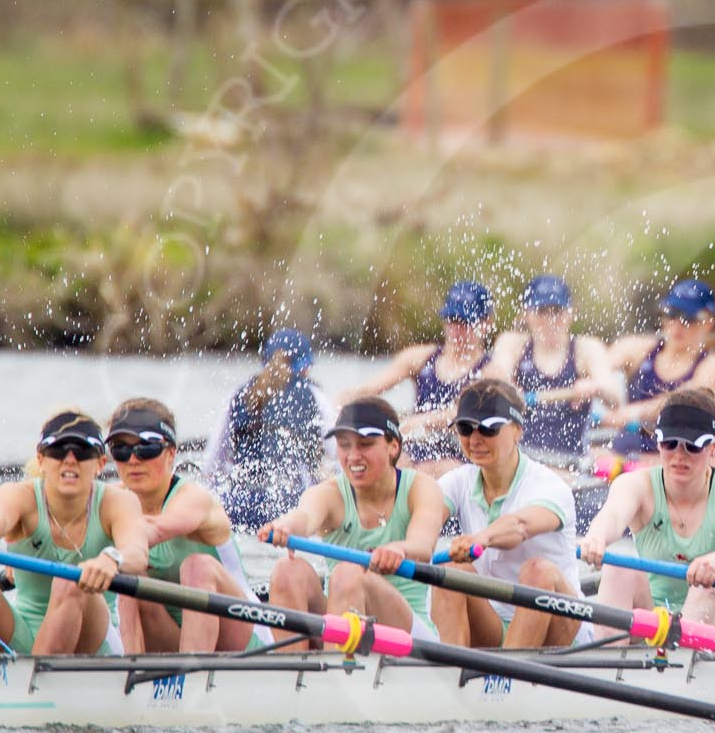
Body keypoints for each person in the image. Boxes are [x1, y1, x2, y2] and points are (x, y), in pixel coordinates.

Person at [0, 411, 149, 656]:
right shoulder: (18, 495)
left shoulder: (118, 502)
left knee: (70, 579)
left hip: (93, 641)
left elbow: (136, 552)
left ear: (101, 463)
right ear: (41, 459)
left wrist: (112, 559)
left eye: (81, 451)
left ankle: (32, 685)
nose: (69, 459)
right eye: (58, 450)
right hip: (25, 634)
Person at [256, 397, 445, 642]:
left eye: (365, 444)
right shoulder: (329, 494)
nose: (353, 456)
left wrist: (399, 549)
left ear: (393, 447)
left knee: (347, 573)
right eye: (344, 445)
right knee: (285, 571)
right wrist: (285, 527)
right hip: (341, 623)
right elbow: (303, 518)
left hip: (409, 635)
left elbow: (422, 546)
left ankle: (338, 674)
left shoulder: (421, 488)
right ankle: (291, 671)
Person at [579, 388, 715, 633]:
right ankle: (609, 662)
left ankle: (674, 656)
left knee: (706, 586)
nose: (679, 455)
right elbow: (611, 516)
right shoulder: (635, 484)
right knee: (617, 568)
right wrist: (596, 538)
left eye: (692, 446)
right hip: (653, 612)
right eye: (670, 443)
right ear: (657, 441)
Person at [431, 379, 589, 649]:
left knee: (538, 571)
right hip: (494, 624)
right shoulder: (457, 482)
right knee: (452, 571)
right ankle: (450, 675)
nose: (475, 439)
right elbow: (425, 519)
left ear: (517, 431)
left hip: (562, 629)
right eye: (465, 428)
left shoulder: (549, 486)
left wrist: (482, 538)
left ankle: (505, 680)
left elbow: (519, 526)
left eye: (489, 428)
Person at [106, 399, 263, 653]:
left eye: (146, 448)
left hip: (242, 638)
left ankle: (191, 675)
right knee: (128, 575)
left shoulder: (193, 499)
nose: (133, 460)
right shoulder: (110, 500)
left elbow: (155, 529)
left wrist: (106, 553)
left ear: (171, 453)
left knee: (196, 567)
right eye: (121, 450)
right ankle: (127, 674)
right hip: (172, 637)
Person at [201, 328, 337, 531]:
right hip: (292, 507)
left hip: (238, 506)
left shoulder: (239, 394)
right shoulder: (315, 396)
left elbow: (212, 465)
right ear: (305, 367)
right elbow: (338, 453)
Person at [352, 280, 496, 467]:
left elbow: (460, 414)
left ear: (486, 324)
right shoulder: (419, 357)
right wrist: (344, 407)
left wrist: (418, 421)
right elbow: (368, 390)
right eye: (451, 320)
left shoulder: (491, 372)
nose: (456, 330)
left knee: (438, 469)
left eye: (465, 322)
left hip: (461, 454)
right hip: (416, 446)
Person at [488, 274, 618, 459]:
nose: (550, 320)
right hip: (521, 459)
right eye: (541, 311)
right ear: (527, 314)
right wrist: (506, 388)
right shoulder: (512, 344)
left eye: (557, 311)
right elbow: (495, 381)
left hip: (570, 463)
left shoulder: (587, 349)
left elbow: (615, 399)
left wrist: (596, 387)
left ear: (570, 314)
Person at [605, 278, 715, 455]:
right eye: (672, 314)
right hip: (623, 452)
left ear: (709, 322)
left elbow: (684, 400)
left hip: (676, 460)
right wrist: (597, 384)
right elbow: (600, 364)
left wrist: (630, 413)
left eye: (688, 318)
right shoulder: (638, 348)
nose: (678, 324)